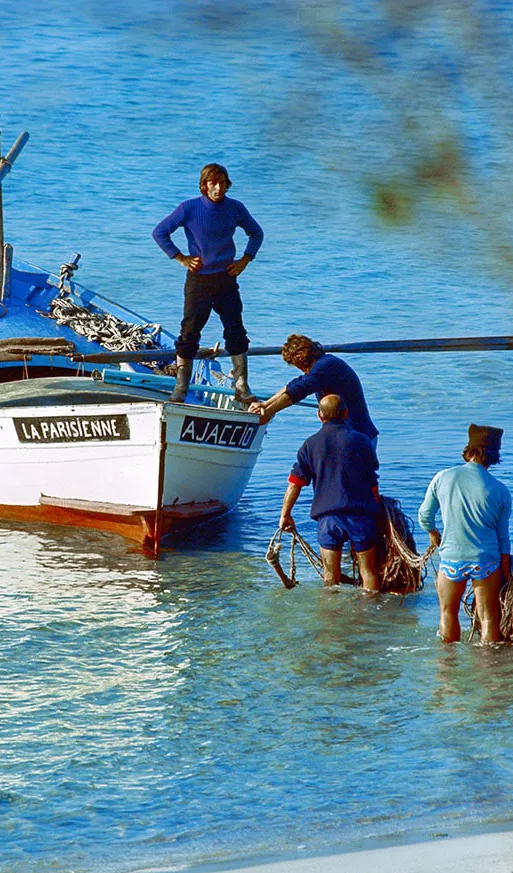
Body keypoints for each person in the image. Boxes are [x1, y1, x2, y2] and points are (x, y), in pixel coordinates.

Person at [152, 163, 264, 404]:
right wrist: (180, 257)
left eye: (223, 183)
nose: (219, 188)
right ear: (204, 185)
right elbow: (160, 232)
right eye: (214, 183)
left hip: (226, 279)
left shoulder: (235, 208)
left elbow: (257, 233)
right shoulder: (189, 208)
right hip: (199, 281)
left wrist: (245, 260)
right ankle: (181, 387)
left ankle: (242, 386)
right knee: (189, 333)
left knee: (236, 331)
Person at [417, 424, 512, 644]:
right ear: (493, 456)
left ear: (469, 450)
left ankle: (447, 669)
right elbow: (502, 539)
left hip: (451, 560)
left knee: (448, 612)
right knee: (489, 617)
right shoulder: (500, 490)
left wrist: (433, 533)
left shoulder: (442, 477)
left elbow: (424, 516)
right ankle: (488, 669)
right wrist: (506, 573)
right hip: (486, 562)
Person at [279, 394, 382, 590]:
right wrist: (377, 511)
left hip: (328, 519)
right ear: (345, 413)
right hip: (360, 516)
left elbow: (295, 483)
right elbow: (371, 480)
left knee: (330, 577)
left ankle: (330, 617)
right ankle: (371, 615)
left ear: (319, 416)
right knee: (368, 572)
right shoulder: (362, 441)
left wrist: (285, 514)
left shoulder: (310, 445)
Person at [248, 334, 379, 451]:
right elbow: (294, 385)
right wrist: (266, 405)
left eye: (296, 365)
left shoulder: (326, 367)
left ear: (301, 358)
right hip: (347, 435)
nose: (299, 370)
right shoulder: (324, 364)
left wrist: (271, 411)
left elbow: (298, 391)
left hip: (358, 437)